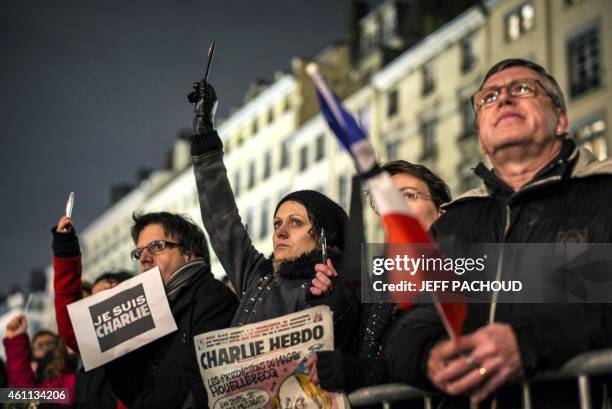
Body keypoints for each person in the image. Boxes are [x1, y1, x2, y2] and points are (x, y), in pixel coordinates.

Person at [384, 59, 612, 407]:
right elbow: (407, 327)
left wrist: (528, 341)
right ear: (480, 135)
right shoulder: (453, 224)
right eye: (488, 97)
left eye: (522, 89)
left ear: (561, 120)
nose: (503, 99)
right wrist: (428, 355)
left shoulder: (603, 192)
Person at [188, 80, 359, 352]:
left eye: (295, 223)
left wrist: (331, 303)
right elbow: (222, 218)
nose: (280, 232)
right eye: (277, 223)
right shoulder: (257, 276)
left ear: (326, 236)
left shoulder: (339, 289)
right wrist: (204, 135)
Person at [309, 160, 451, 393]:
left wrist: (362, 375)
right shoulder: (374, 281)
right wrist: (335, 300)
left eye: (408, 196)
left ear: (440, 211)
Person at [103, 212, 238, 408]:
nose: (144, 258)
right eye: (139, 252)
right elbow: (132, 391)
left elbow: (200, 385)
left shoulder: (215, 299)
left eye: (156, 246)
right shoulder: (149, 308)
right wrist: (116, 341)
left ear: (188, 253)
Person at [53, 215, 133, 409]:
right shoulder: (69, 377)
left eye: (104, 295)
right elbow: (26, 392)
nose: (95, 307)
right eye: (92, 302)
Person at [3, 315, 76, 406]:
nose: (42, 348)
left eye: (48, 344)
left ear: (59, 346)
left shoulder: (69, 379)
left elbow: (29, 395)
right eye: (38, 345)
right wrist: (16, 338)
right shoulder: (33, 376)